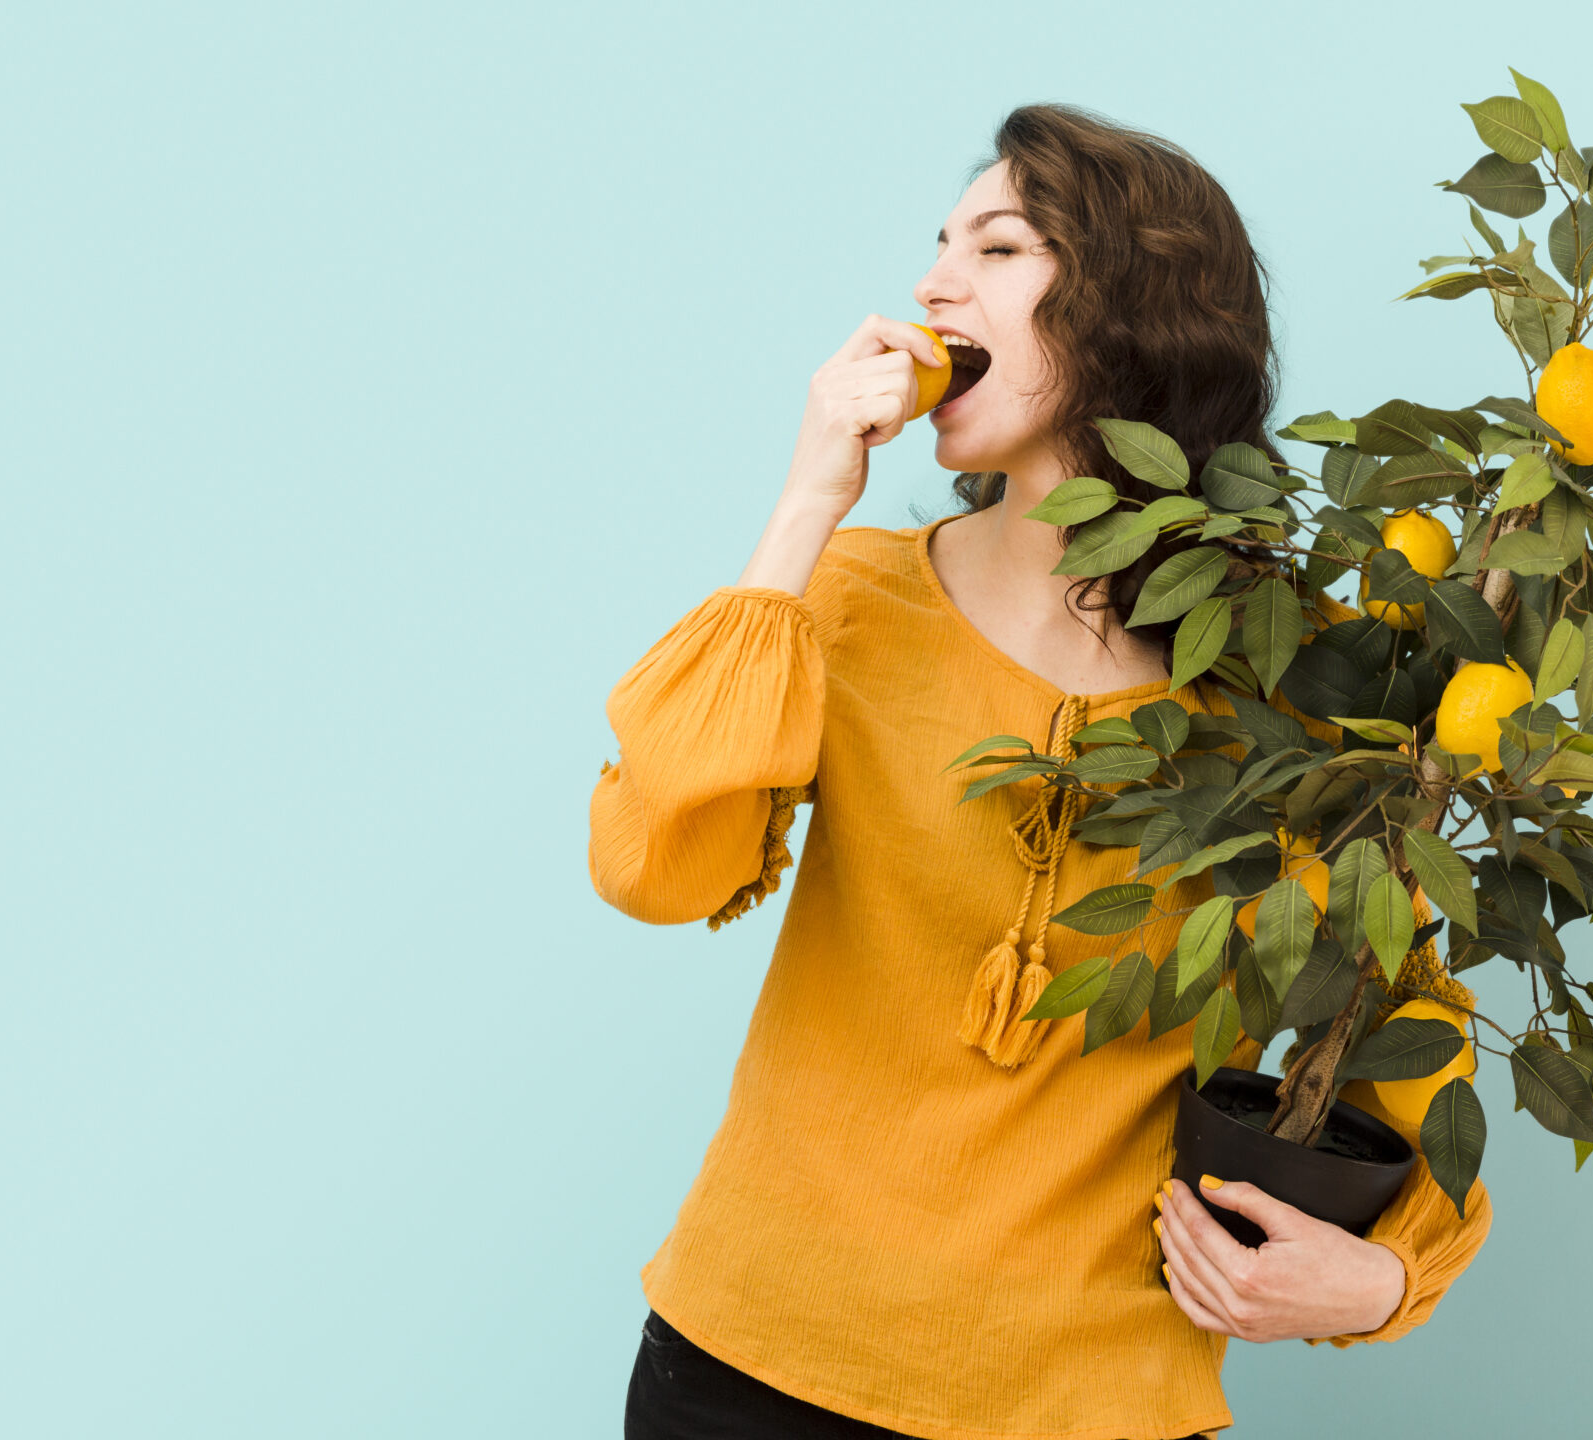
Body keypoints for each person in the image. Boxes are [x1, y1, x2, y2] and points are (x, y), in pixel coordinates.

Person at [589, 103, 1492, 1440]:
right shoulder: (843, 602)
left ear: (1133, 306)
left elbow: (1405, 1014)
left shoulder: (1303, 687)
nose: (933, 284)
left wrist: (1385, 1278)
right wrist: (800, 513)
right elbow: (658, 866)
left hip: (1097, 1404)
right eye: (940, 246)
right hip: (751, 1371)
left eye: (998, 247)